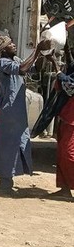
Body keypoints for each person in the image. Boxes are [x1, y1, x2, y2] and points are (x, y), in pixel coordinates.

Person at [0, 36, 50, 196]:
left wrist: (44, 54)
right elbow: (23, 69)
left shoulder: (15, 59)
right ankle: (4, 185)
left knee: (4, 147)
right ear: (3, 49)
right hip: (9, 112)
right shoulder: (2, 63)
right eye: (10, 44)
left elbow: (33, 68)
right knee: (9, 146)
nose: (14, 44)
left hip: (16, 111)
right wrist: (37, 50)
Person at [46, 57, 74, 200]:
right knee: (63, 153)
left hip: (71, 118)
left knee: (68, 153)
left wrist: (57, 69)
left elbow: (70, 87)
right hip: (67, 115)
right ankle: (65, 188)